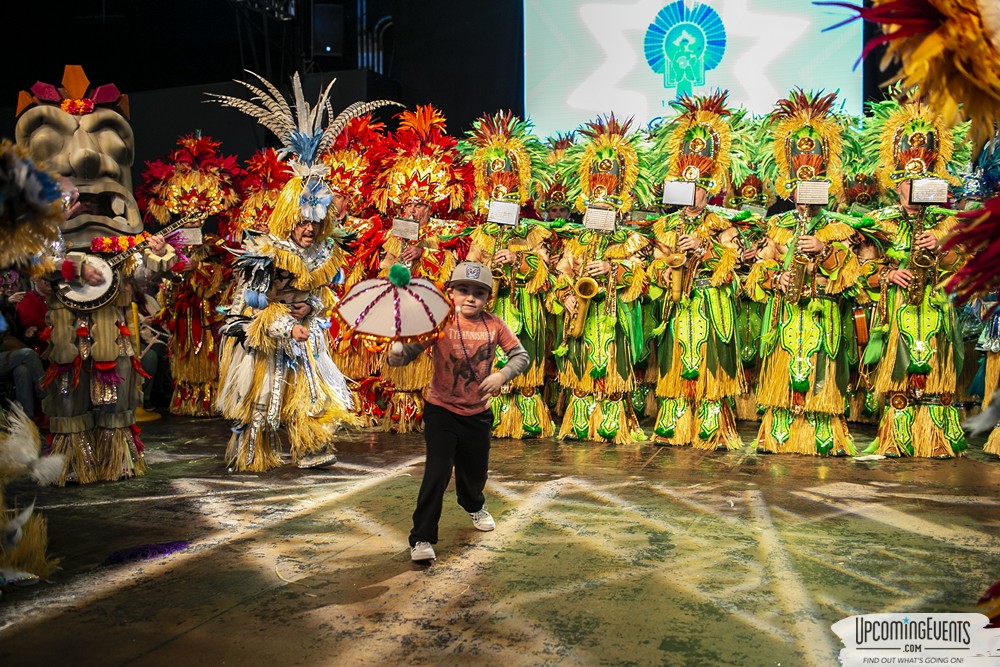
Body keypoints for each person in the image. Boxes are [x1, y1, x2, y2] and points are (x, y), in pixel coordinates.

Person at [387, 262, 530, 562]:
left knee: (474, 473)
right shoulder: (438, 323)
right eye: (463, 290)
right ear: (449, 292)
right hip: (441, 411)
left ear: (488, 298)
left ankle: (473, 504)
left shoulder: (494, 325)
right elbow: (406, 354)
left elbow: (520, 355)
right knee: (436, 473)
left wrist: (502, 375)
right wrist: (397, 353)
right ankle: (422, 537)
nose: (470, 298)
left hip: (477, 414)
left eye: (479, 293)